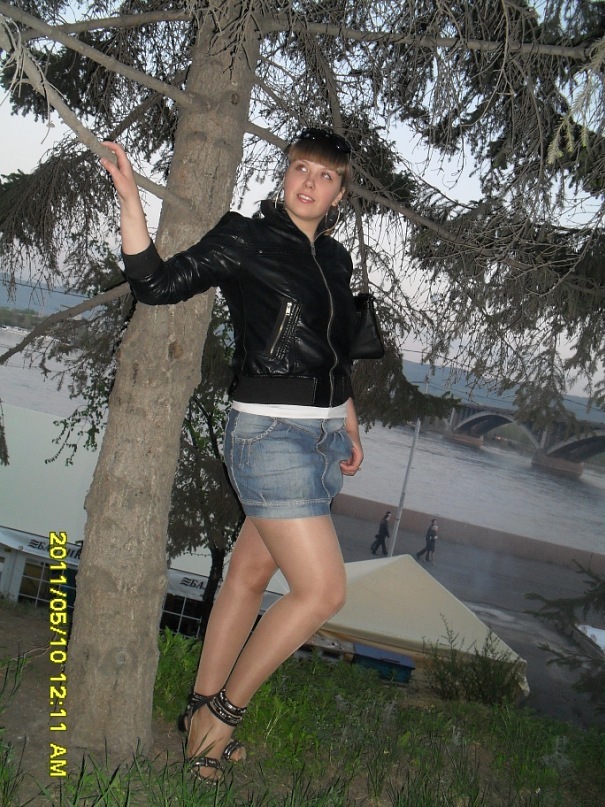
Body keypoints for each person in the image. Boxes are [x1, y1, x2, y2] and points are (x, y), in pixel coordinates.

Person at [101, 128, 366, 783]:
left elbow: (339, 348)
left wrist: (348, 419)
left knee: (248, 576)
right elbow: (155, 284)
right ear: (285, 173)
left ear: (339, 192)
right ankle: (218, 720)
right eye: (300, 168)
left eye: (325, 176)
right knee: (322, 591)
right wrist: (131, 200)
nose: (309, 183)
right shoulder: (245, 237)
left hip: (323, 436)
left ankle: (198, 707)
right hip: (269, 434)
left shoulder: (334, 258)